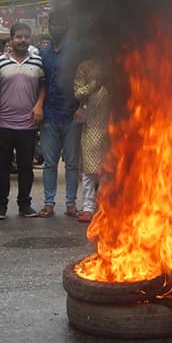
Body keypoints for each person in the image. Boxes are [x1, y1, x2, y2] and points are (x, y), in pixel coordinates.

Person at [0, 22, 45, 219]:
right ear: (11, 39)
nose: (23, 40)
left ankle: (25, 204)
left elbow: (42, 87)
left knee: (26, 168)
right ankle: (0, 206)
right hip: (4, 124)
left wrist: (38, 105)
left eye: (26, 37)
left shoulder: (37, 62)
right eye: (19, 37)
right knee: (3, 168)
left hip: (28, 124)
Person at [39, 9, 82, 218]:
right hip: (49, 115)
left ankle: (71, 204)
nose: (56, 28)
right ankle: (48, 203)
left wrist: (82, 106)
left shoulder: (76, 50)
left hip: (72, 116)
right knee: (49, 163)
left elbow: (83, 79)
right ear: (49, 26)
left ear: (67, 26)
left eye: (60, 24)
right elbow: (41, 83)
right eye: (53, 24)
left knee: (73, 164)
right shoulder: (43, 53)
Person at [74, 57, 110, 224]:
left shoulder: (116, 63)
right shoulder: (85, 66)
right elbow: (78, 93)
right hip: (91, 124)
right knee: (89, 170)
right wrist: (96, 83)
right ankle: (88, 207)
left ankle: (105, 206)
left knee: (109, 169)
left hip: (113, 124)